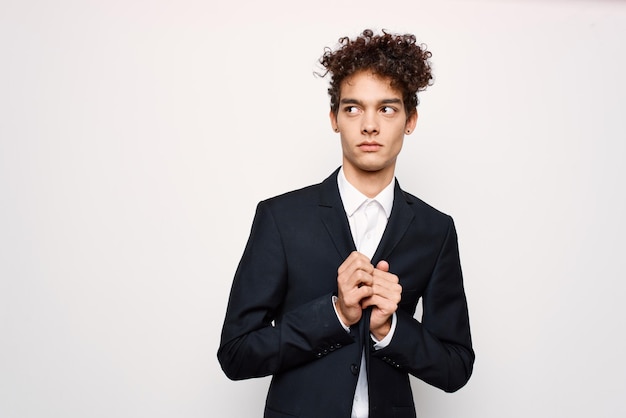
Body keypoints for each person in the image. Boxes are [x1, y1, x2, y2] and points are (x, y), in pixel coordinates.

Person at [217, 28, 474, 418]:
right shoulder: (282, 218)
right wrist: (336, 314)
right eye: (353, 108)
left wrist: (389, 330)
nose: (369, 125)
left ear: (411, 119)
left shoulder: (435, 230)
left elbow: (455, 367)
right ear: (334, 118)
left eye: (387, 108)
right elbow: (236, 355)